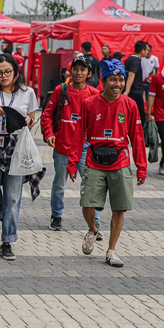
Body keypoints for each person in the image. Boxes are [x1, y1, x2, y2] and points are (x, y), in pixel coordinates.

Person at [67, 59, 147, 268]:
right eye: (113, 80)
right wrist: (73, 160)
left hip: (120, 161)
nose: (118, 84)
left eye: (121, 80)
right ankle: (93, 229)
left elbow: (137, 136)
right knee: (87, 204)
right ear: (103, 81)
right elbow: (78, 135)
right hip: (94, 160)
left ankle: (111, 250)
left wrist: (141, 166)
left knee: (119, 208)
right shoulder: (89, 104)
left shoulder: (130, 105)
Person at [0, 54, 38, 261]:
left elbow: (33, 118)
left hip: (17, 144)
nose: (3, 76)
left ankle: (7, 241)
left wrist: (28, 120)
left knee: (13, 197)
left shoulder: (27, 92)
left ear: (16, 72)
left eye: (7, 72)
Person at [41, 55, 102, 235]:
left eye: (82, 69)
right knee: (59, 184)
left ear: (89, 73)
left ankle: (95, 225)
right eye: (75, 69)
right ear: (70, 71)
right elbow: (46, 115)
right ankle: (56, 216)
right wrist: (50, 134)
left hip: (85, 149)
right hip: (62, 147)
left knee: (91, 185)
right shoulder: (62, 90)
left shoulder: (94, 94)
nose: (78, 72)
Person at [124, 41, 148, 125]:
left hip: (132, 92)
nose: (147, 52)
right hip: (135, 93)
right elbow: (131, 75)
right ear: (142, 51)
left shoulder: (129, 59)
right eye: (146, 50)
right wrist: (127, 92)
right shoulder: (136, 61)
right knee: (140, 118)